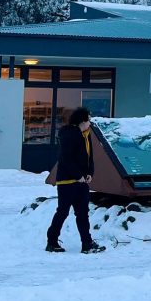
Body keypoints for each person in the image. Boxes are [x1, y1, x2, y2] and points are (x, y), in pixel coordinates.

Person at [46, 107, 106, 254]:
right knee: (63, 212)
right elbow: (65, 158)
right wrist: (77, 175)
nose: (90, 123)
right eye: (88, 120)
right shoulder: (69, 135)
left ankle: (87, 244)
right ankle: (52, 242)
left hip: (82, 182)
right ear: (82, 120)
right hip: (67, 182)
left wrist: (89, 173)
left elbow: (89, 157)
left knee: (83, 214)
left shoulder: (86, 135)